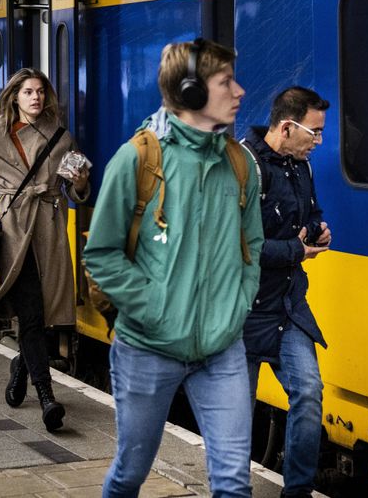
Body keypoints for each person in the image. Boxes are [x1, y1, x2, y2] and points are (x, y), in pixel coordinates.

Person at [83, 39, 264, 497]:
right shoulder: (139, 159)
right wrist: (156, 308)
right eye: (226, 82)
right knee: (130, 472)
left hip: (221, 351)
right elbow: (100, 253)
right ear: (191, 92)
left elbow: (252, 246)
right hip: (147, 348)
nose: (240, 91)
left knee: (233, 483)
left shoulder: (241, 165)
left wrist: (236, 306)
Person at [0, 68, 90, 432]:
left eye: (40, 91)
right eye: (27, 92)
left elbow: (75, 191)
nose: (35, 97)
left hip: (48, 233)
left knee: (48, 316)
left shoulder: (62, 138)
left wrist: (80, 183)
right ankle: (48, 397)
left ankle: (21, 365)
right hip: (12, 232)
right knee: (32, 314)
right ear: (14, 98)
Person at [242, 87, 331, 498]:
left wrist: (318, 230)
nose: (318, 141)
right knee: (236, 415)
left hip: (288, 307)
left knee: (309, 393)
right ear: (286, 127)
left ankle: (297, 491)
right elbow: (236, 246)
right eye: (314, 133)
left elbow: (311, 212)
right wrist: (296, 249)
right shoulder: (244, 168)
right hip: (242, 314)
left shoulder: (301, 167)